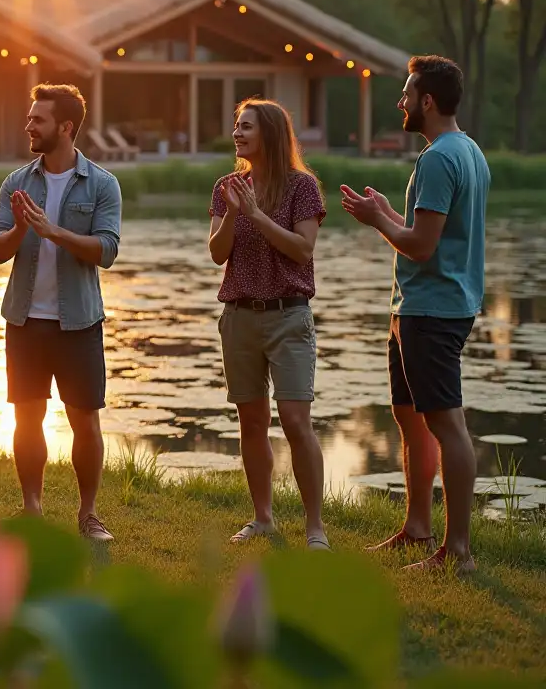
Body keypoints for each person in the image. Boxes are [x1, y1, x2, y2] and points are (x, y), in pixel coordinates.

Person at [341, 55, 488, 572]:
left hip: (433, 311)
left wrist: (374, 220)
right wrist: (387, 214)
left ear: (427, 100)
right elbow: (432, 233)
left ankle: (459, 551)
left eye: (407, 94)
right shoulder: (468, 150)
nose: (400, 101)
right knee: (410, 420)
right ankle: (418, 528)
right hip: (420, 308)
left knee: (446, 425)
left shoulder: (438, 159)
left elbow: (421, 247)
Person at [0, 84, 121, 541]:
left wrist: (53, 231)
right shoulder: (16, 183)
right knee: (27, 419)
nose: (28, 125)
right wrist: (21, 227)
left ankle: (88, 516)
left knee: (85, 420)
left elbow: (107, 250)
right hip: (24, 320)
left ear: (65, 127)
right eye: (29, 118)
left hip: (79, 321)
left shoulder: (102, 183)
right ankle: (32, 511)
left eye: (37, 119)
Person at [208, 99, 329, 551]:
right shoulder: (227, 187)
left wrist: (257, 214)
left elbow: (303, 250)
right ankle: (263, 519)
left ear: (271, 134)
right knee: (251, 421)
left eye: (246, 127)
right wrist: (238, 212)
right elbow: (217, 253)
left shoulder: (302, 187)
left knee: (297, 422)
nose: (237, 134)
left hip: (288, 316)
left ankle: (315, 528)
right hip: (239, 318)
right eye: (236, 125)